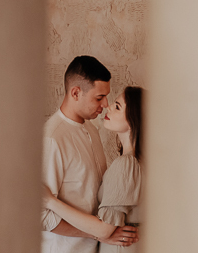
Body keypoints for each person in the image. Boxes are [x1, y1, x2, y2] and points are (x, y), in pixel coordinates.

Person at [42, 56, 138, 253]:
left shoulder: (92, 130)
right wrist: (99, 233)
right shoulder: (52, 138)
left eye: (107, 97)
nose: (105, 104)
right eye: (99, 97)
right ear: (76, 93)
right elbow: (42, 216)